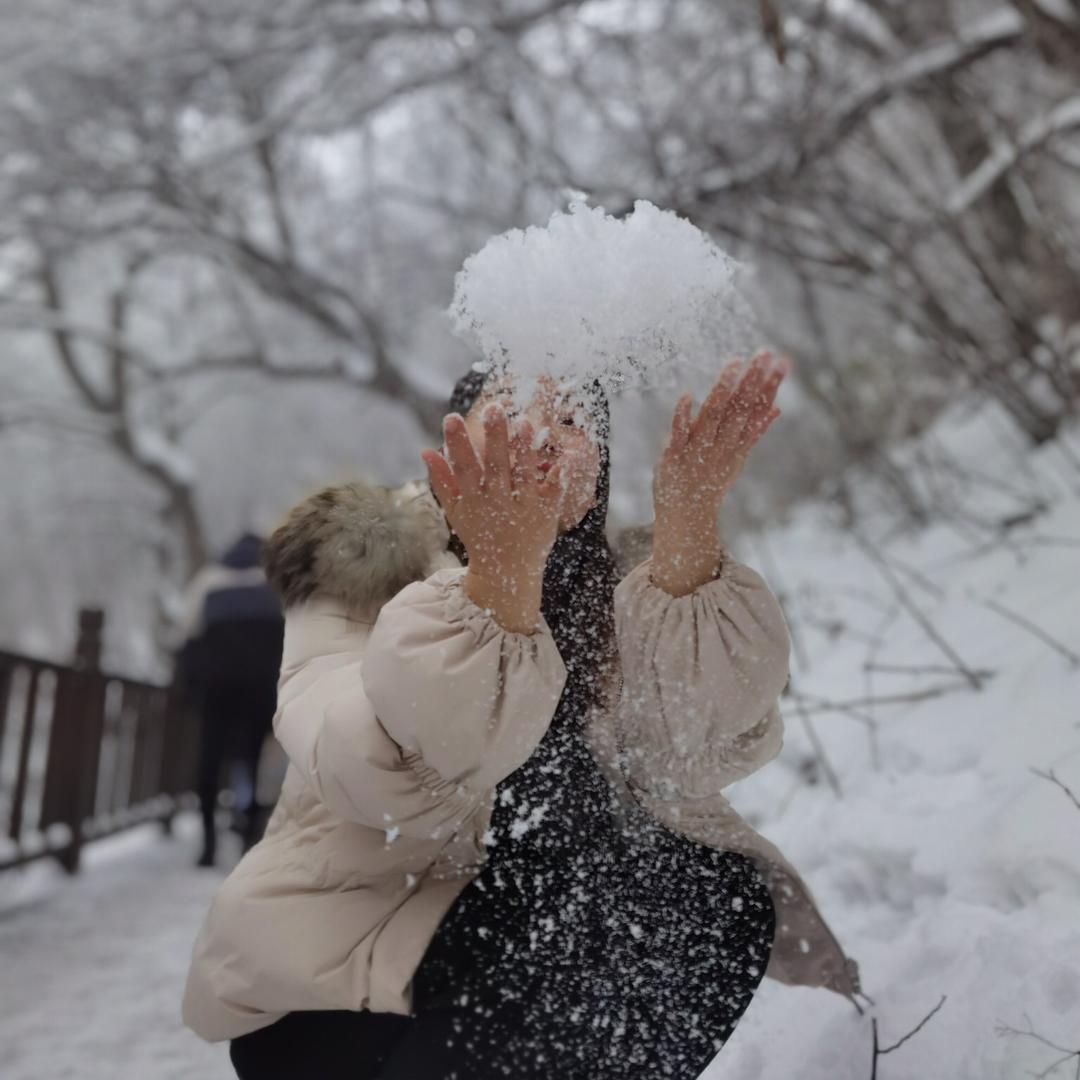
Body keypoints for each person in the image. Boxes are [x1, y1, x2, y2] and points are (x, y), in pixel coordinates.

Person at [182, 352, 861, 1078]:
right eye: (508, 413)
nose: (538, 434)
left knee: (716, 899)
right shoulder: (361, 573)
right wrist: (500, 581)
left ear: (598, 468)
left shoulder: (626, 595)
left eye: (569, 420)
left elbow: (695, 749)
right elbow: (367, 770)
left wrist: (688, 532)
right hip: (336, 1002)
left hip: (515, 982)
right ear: (454, 451)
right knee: (583, 891)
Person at [177, 533, 285, 867]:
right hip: (261, 685)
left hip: (216, 685)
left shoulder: (208, 580)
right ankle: (249, 832)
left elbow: (185, 634)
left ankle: (208, 842)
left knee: (209, 761)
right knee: (253, 759)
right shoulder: (276, 579)